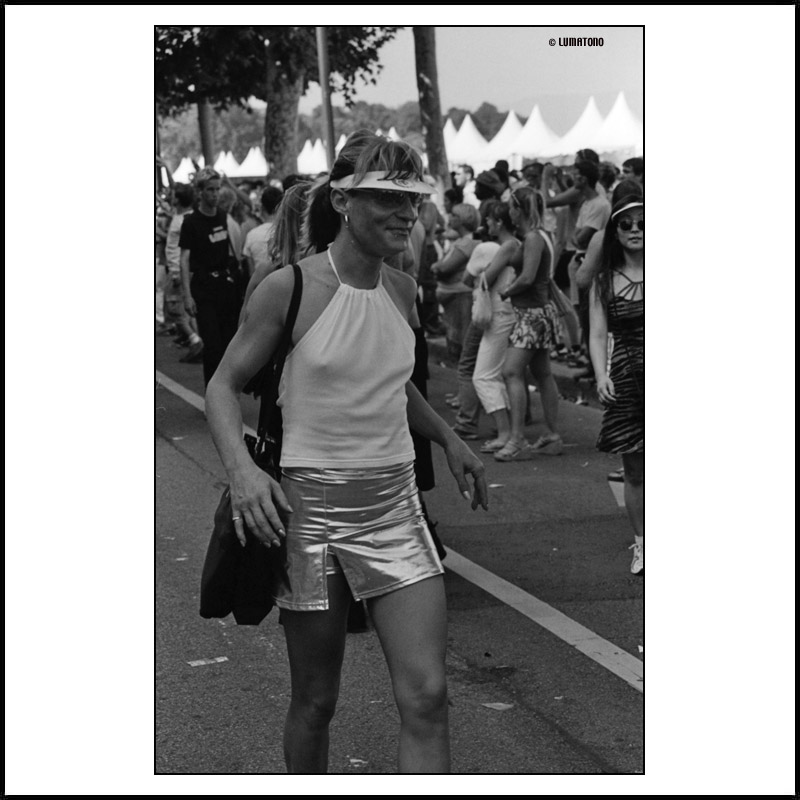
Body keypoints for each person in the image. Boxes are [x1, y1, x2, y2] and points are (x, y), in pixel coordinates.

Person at [204, 130, 488, 774]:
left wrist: (448, 438)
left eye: (412, 198)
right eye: (388, 197)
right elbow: (222, 386)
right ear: (342, 199)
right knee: (316, 700)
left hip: (396, 508)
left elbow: (392, 380)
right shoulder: (288, 288)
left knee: (428, 696)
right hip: (310, 514)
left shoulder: (403, 289)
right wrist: (243, 474)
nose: (406, 212)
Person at [588, 196, 644, 574]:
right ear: (615, 232)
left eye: (643, 222)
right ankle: (643, 544)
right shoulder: (603, 282)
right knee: (636, 470)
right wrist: (601, 374)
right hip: (626, 379)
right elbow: (596, 335)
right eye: (627, 224)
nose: (636, 229)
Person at [495, 186, 563, 460]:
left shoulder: (533, 238)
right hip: (539, 313)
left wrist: (507, 291)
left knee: (511, 372)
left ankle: (517, 439)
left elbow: (528, 277)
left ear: (518, 210)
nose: (508, 212)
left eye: (511, 207)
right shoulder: (541, 235)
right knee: (543, 373)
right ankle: (552, 435)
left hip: (531, 315)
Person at [179, 167, 242, 386]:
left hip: (225, 287)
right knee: (213, 346)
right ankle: (212, 391)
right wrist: (187, 295)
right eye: (210, 189)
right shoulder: (191, 222)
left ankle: (227, 389)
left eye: (217, 189)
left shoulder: (224, 217)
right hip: (204, 289)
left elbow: (236, 250)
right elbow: (184, 259)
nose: (215, 194)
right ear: (200, 192)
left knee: (229, 344)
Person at [470, 201, 521, 453]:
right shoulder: (515, 244)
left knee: (483, 375)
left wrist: (483, 269)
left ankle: (505, 432)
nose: (486, 223)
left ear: (499, 222)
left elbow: (486, 278)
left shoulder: (509, 245)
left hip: (501, 314)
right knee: (500, 374)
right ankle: (507, 430)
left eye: (489, 219)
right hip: (507, 313)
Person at [431, 203, 480, 362]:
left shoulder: (466, 243)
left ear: (463, 219)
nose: (450, 218)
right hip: (452, 295)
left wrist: (436, 267)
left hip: (459, 296)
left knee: (459, 341)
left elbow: (445, 267)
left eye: (454, 215)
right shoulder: (460, 241)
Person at [164, 182, 203, 362]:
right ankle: (199, 342)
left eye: (173, 195)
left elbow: (180, 250)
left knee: (175, 311)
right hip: (180, 269)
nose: (170, 197)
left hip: (177, 271)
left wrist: (175, 272)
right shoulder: (184, 217)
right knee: (187, 312)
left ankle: (196, 340)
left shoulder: (182, 221)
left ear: (178, 199)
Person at [242, 185, 285, 279]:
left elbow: (251, 273)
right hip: (285, 283)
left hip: (260, 284)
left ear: (262, 207)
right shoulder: (288, 233)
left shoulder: (251, 235)